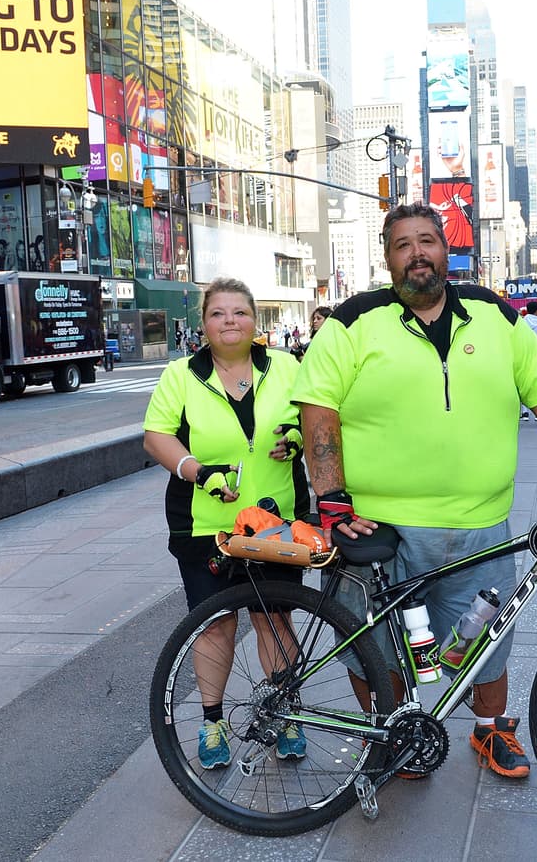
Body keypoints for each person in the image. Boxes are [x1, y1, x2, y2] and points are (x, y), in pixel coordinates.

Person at [293, 203, 537, 780]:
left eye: (427, 241)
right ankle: (388, 737)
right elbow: (318, 406)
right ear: (387, 258)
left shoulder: (496, 315)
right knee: (377, 649)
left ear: (447, 250)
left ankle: (491, 732)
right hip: (378, 526)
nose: (417, 253)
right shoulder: (351, 320)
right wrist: (332, 497)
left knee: (486, 643)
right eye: (402, 244)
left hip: (480, 524)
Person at [142, 278, 313, 770]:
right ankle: (213, 722)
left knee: (274, 619)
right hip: (204, 526)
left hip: (276, 522)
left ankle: (285, 715)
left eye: (239, 312)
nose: (230, 321)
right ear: (204, 323)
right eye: (219, 313)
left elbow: (314, 418)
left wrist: (298, 438)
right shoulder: (181, 375)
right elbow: (156, 438)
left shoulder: (286, 366)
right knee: (215, 623)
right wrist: (198, 472)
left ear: (255, 321)